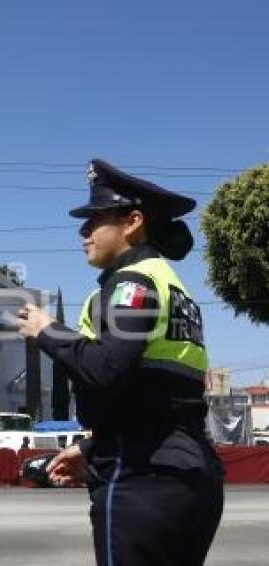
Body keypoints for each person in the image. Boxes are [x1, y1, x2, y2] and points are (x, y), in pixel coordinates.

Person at [16, 159, 224, 565]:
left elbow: (107, 369)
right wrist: (94, 448)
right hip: (188, 474)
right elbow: (161, 398)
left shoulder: (132, 283)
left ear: (132, 222)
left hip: (142, 480)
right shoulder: (171, 285)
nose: (83, 232)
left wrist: (47, 330)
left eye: (94, 220)